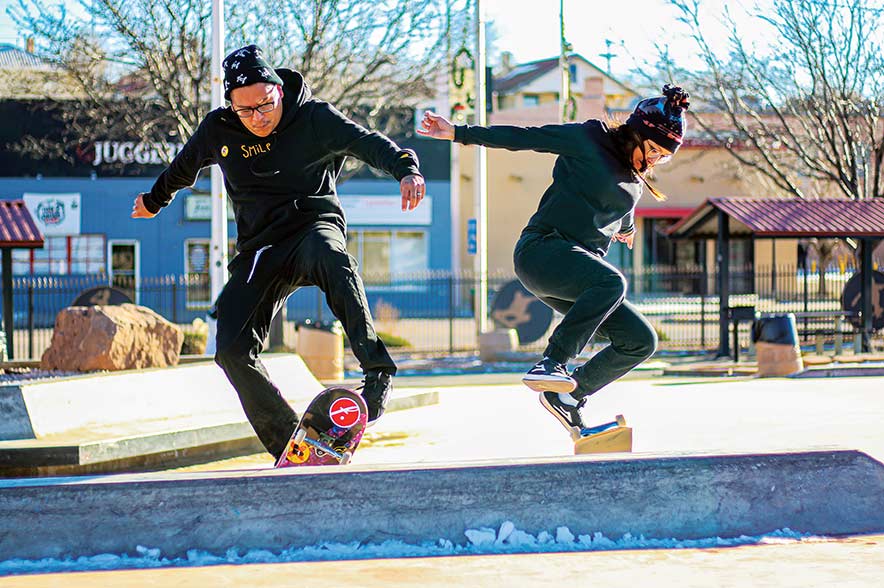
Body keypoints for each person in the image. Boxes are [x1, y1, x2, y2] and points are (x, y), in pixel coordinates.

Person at [132, 44, 426, 461]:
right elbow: (184, 167)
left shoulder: (314, 118)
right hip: (261, 248)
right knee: (230, 350)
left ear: (279, 91)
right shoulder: (219, 129)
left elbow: (367, 142)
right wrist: (154, 199)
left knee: (332, 258)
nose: (258, 118)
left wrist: (405, 169)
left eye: (265, 105)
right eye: (245, 111)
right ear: (231, 105)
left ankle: (378, 372)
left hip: (312, 226)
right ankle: (293, 443)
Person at [418, 85, 689, 434]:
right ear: (635, 132)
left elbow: (621, 202)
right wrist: (458, 132)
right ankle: (552, 363)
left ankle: (570, 397)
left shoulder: (633, 176)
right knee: (612, 282)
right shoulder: (591, 138)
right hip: (543, 250)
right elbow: (526, 137)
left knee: (640, 339)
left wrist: (627, 225)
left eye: (663, 158)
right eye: (653, 150)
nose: (654, 161)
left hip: (573, 273)